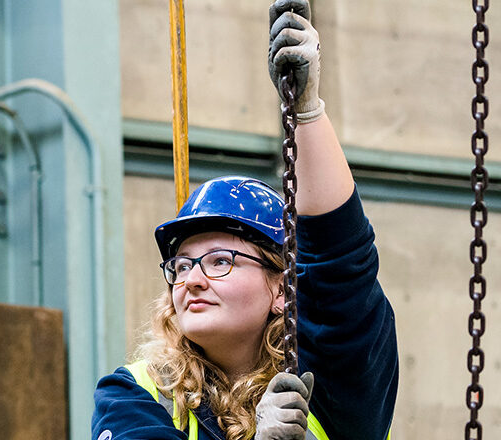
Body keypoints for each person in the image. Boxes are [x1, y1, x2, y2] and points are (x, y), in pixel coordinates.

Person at [89, 1, 398, 439]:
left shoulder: (333, 388)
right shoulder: (136, 396)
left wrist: (307, 111)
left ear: (281, 289)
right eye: (181, 266)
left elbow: (340, 263)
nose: (190, 281)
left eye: (219, 261)